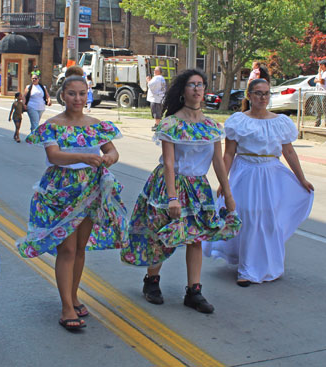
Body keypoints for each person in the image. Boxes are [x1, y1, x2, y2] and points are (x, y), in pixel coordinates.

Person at [120, 69, 241, 314]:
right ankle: (151, 281)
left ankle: (193, 291)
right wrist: (173, 198)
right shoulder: (171, 124)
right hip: (169, 185)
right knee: (160, 235)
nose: (197, 89)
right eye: (192, 84)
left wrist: (227, 194)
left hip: (198, 188)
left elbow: (218, 162)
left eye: (201, 84)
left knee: (195, 238)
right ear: (183, 91)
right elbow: (168, 162)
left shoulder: (211, 126)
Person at [16, 71, 127, 331]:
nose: (77, 98)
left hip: (90, 190)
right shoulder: (53, 125)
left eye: (82, 93)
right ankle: (66, 306)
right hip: (61, 191)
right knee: (66, 249)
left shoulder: (95, 124)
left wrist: (109, 157)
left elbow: (112, 149)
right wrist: (85, 158)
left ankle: (73, 296)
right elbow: (54, 155)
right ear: (63, 96)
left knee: (79, 248)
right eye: (72, 93)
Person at [203, 79, 314, 287]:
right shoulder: (239, 121)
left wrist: (301, 179)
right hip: (246, 173)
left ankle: (270, 266)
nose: (263, 98)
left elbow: (288, 151)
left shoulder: (280, 121)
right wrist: (223, 182)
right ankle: (246, 269)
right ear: (249, 96)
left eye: (266, 94)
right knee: (249, 218)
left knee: (269, 219)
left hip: (271, 173)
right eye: (258, 93)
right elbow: (228, 154)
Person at [314, 59, 326, 127]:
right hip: (317, 93)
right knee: (318, 109)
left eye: (320, 65)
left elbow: (322, 82)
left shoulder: (324, 73)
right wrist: (319, 79)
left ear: (323, 65)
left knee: (324, 109)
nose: (319, 66)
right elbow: (315, 80)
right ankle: (317, 123)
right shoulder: (320, 73)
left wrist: (319, 73)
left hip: (324, 94)